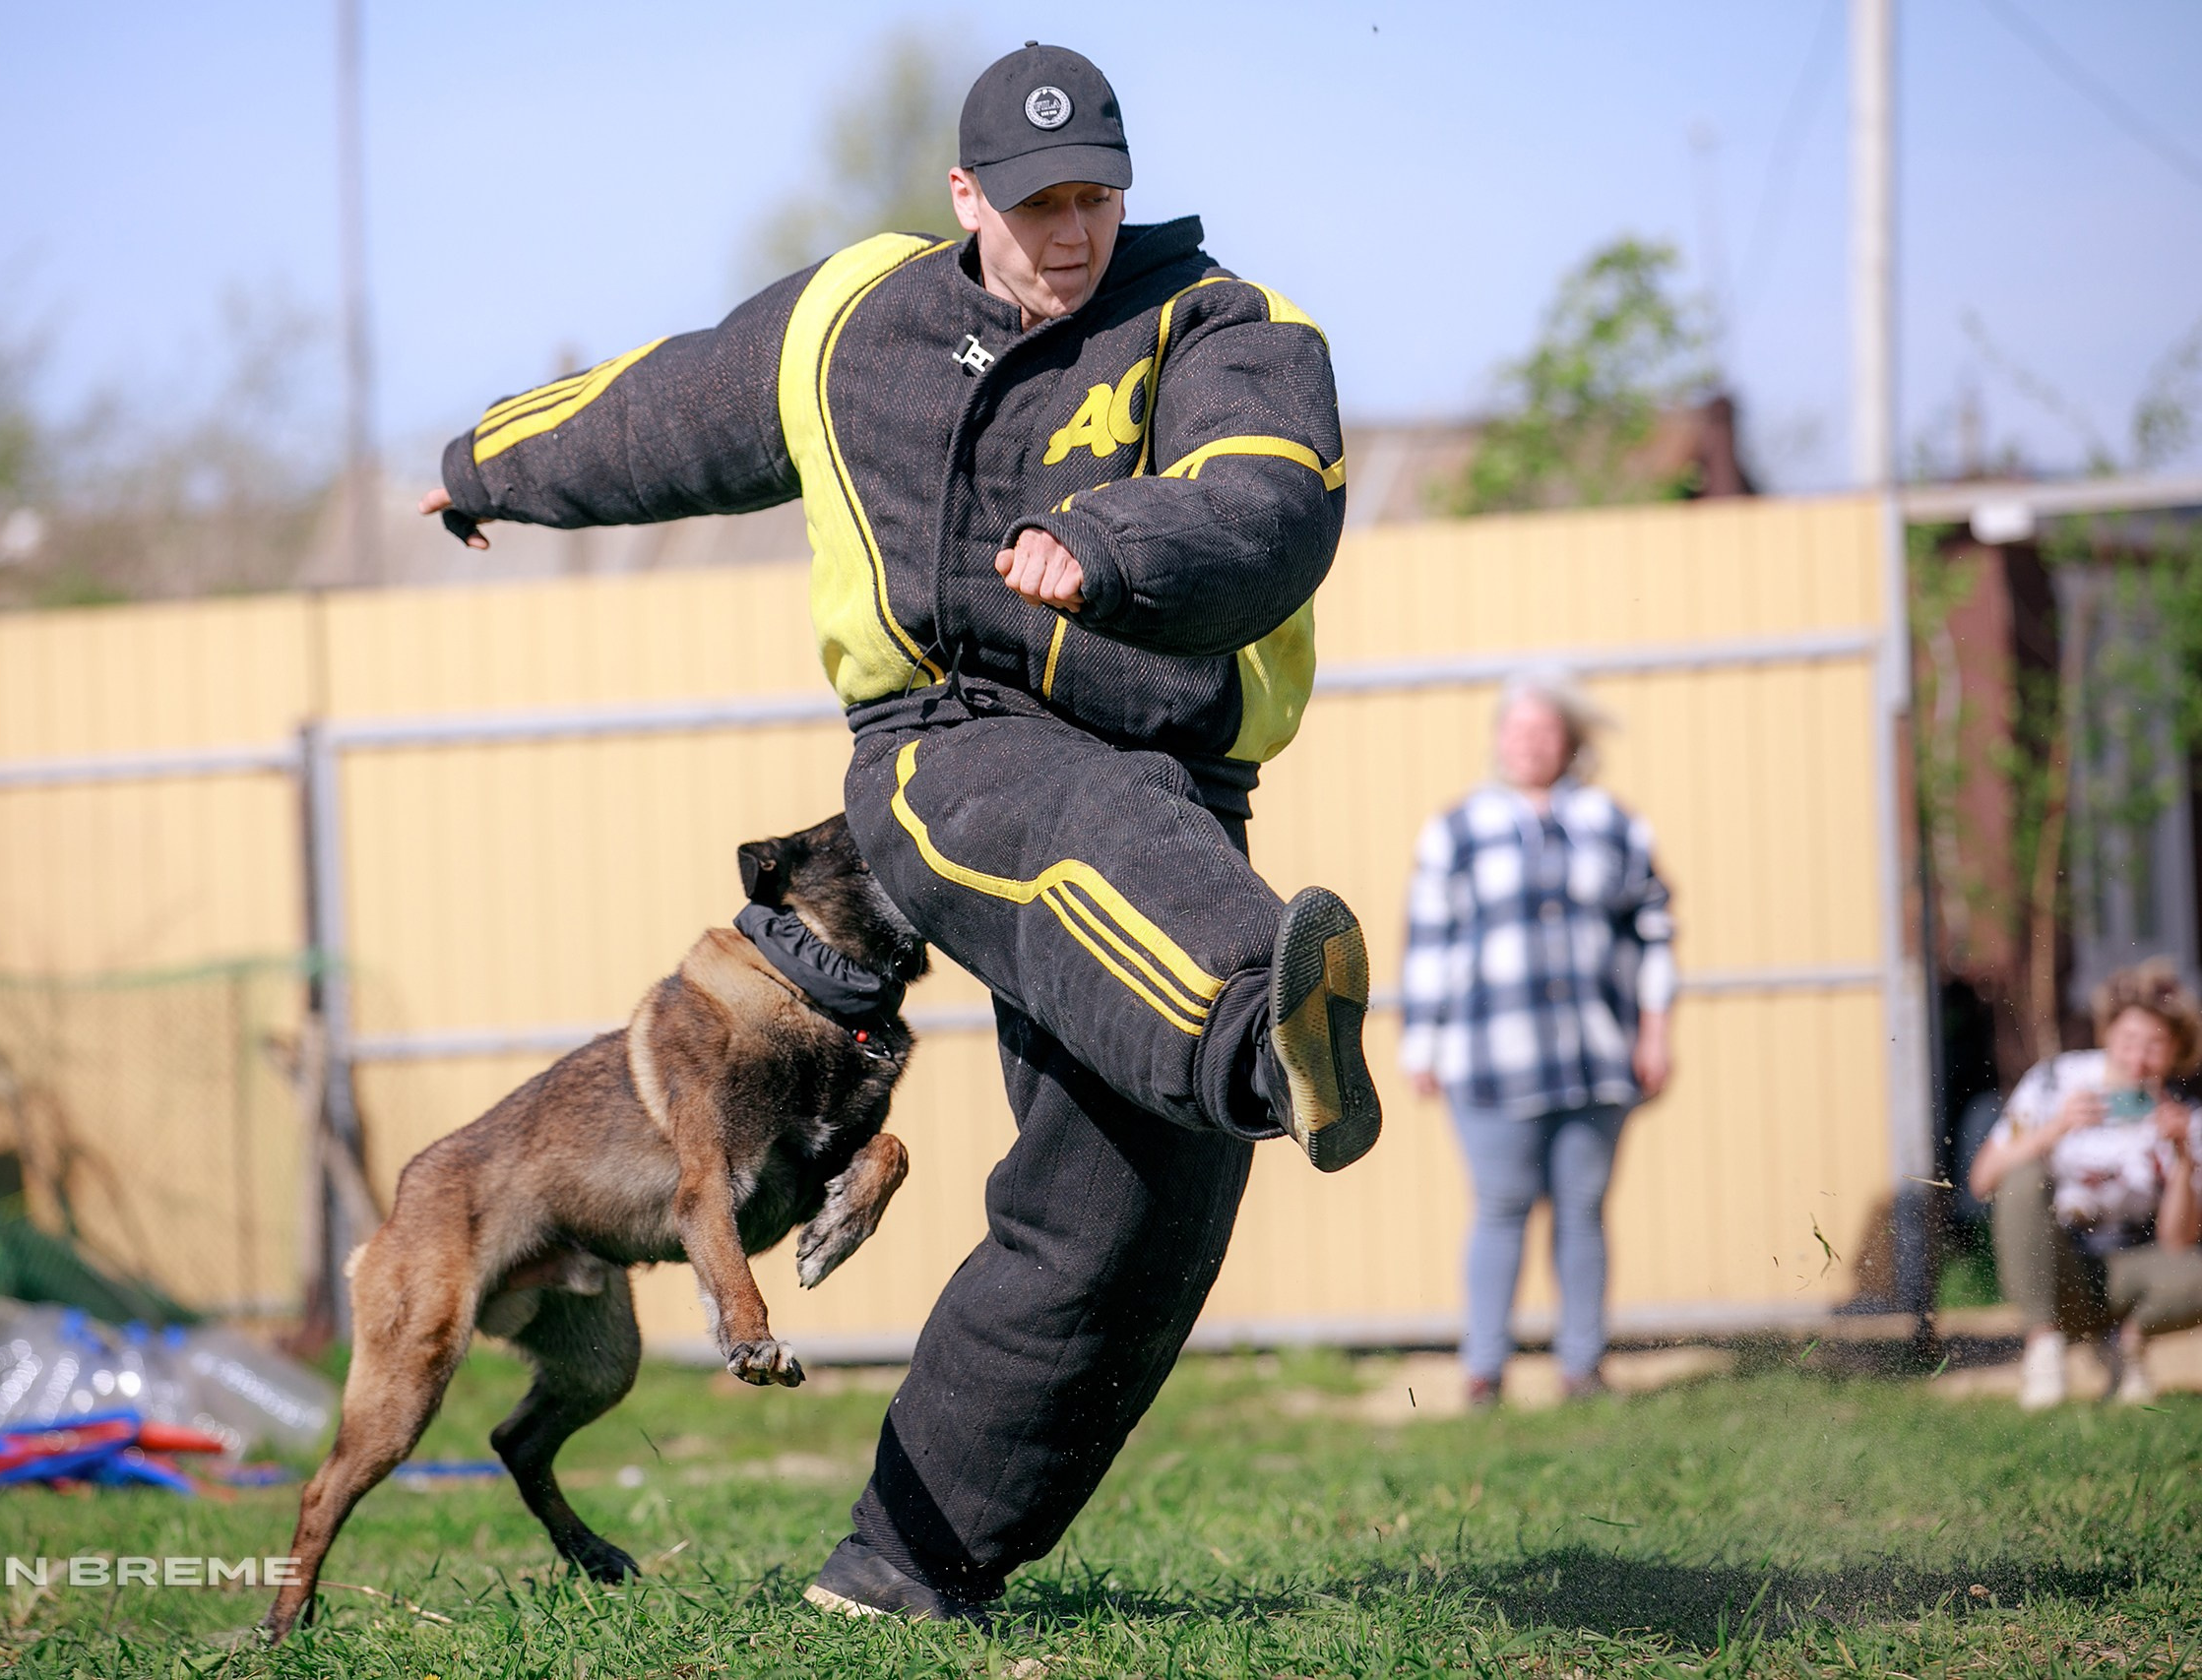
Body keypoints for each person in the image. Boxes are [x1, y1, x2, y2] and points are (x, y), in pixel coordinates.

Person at [418, 42, 1381, 1618]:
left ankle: (905, 1563)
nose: (1070, 231)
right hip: (943, 748)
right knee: (1080, 829)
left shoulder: (1226, 322)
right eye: (1035, 203)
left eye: (1095, 199)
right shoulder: (855, 316)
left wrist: (1108, 540)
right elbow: (664, 409)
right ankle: (1267, 1026)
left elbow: (1272, 499)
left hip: (1182, 783)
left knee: (1132, 1204)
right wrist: (486, 465)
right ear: (965, 197)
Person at [1398, 670, 1673, 1406]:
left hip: (1596, 1058)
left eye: (1544, 733)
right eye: (1516, 732)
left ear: (1571, 744)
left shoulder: (1615, 824)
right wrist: (1420, 1046)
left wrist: (1657, 1030)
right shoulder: (1457, 828)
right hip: (1489, 1061)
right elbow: (1430, 941)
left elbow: (1654, 931)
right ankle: (1484, 1370)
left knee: (1583, 1212)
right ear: (1497, 741)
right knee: (1500, 1209)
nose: (1528, 745)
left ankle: (1582, 1367)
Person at [1966, 959, 2202, 1409]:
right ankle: (2043, 1348)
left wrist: (2183, 1158)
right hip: (2058, 1265)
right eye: (2129, 1040)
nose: (2138, 1059)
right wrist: (2053, 1130)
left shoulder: (2184, 1118)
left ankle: (2125, 1346)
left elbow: (2178, 1241)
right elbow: (1982, 1181)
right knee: (2024, 1178)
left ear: (2175, 1052)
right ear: (2108, 1033)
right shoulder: (2054, 1083)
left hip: (2132, 1270)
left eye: (2155, 1046)